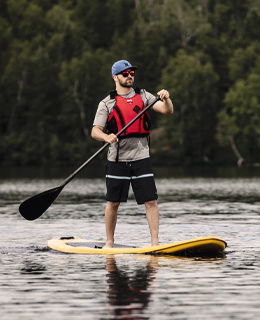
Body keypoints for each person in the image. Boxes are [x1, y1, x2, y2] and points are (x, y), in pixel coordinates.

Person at [91, 60, 173, 248]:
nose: (130, 76)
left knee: (150, 201)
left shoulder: (144, 96)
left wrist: (166, 98)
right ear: (115, 77)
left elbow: (167, 111)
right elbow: (95, 131)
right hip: (117, 159)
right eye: (125, 73)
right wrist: (106, 137)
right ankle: (109, 243)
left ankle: (155, 243)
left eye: (132, 73)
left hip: (141, 157)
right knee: (113, 203)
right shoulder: (107, 103)